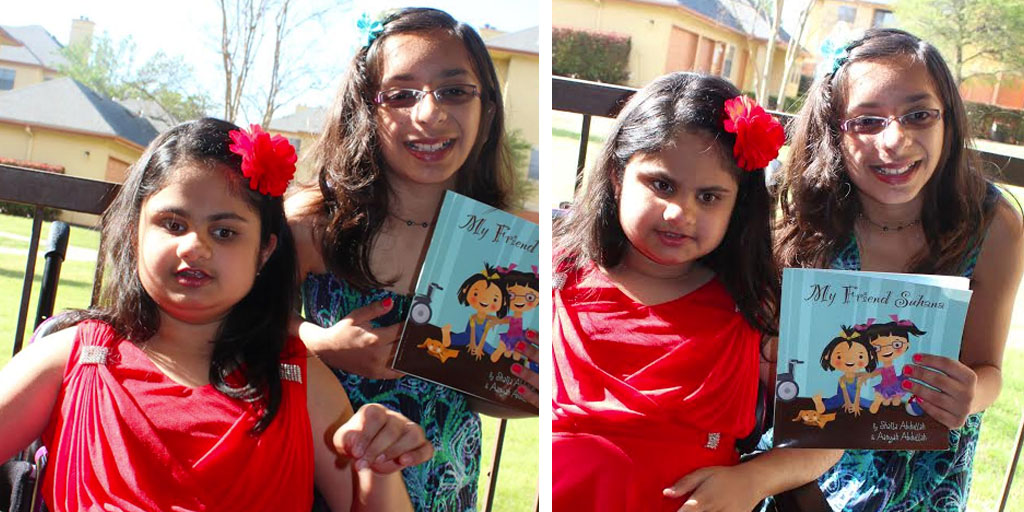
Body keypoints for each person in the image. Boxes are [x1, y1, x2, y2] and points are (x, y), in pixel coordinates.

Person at [0, 118, 433, 512]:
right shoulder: (74, 357)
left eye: (225, 232)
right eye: (172, 224)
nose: (195, 247)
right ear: (135, 233)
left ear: (264, 251)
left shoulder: (301, 382)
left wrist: (378, 464)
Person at [285, 8, 536, 511]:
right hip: (327, 481)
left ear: (486, 112)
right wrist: (324, 343)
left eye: (455, 91)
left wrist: (519, 392)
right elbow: (239, 324)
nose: (430, 114)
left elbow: (476, 393)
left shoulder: (504, 244)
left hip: (446, 486)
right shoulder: (311, 224)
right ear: (365, 110)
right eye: (400, 95)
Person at [767, 28, 1024, 511]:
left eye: (919, 115)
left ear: (948, 120)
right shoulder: (800, 212)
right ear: (832, 130)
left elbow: (989, 369)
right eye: (866, 120)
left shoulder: (992, 226)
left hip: (923, 483)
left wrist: (971, 394)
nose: (896, 140)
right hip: (803, 475)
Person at [551, 72, 789, 511]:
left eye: (710, 196)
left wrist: (754, 480)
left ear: (738, 207)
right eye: (662, 185)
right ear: (618, 176)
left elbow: (828, 434)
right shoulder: (557, 278)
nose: (681, 212)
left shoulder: (757, 308)